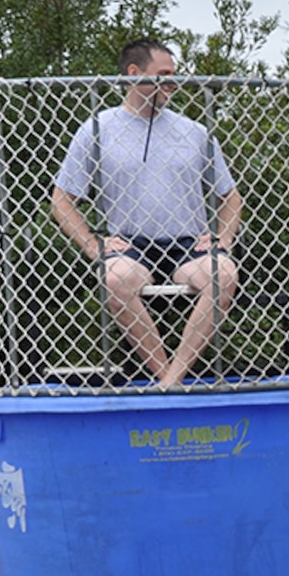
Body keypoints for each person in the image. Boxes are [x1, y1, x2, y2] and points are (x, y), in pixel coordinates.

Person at [50, 39, 242, 389]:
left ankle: (172, 381)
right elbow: (61, 200)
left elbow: (230, 197)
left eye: (174, 75)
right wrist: (95, 246)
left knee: (224, 274)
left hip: (188, 243)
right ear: (134, 74)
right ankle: (164, 376)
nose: (173, 83)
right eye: (163, 75)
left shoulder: (194, 132)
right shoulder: (98, 129)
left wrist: (224, 237)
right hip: (131, 244)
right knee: (115, 279)